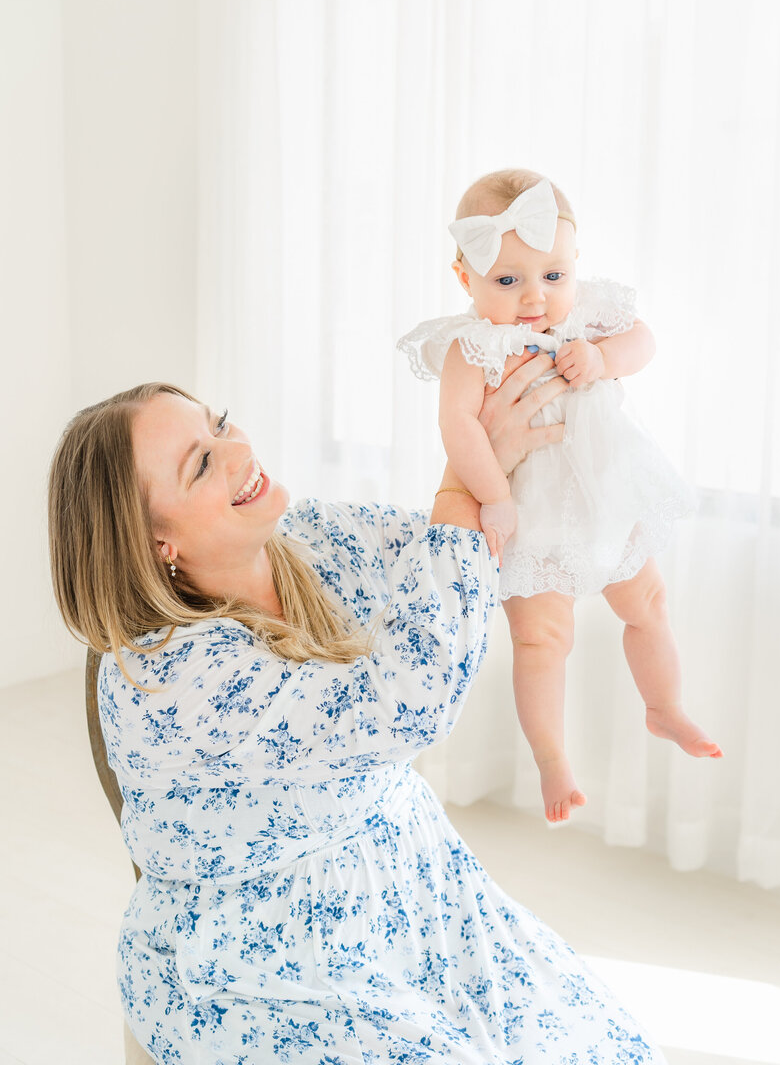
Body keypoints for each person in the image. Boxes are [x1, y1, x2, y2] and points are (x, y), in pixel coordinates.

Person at [49, 380, 668, 1064]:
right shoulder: (169, 675)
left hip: (412, 884)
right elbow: (410, 700)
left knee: (605, 1049)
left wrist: (525, 462)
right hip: (260, 956)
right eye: (200, 463)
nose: (236, 450)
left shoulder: (302, 535)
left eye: (221, 423)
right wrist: (466, 470)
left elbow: (441, 557)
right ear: (155, 540)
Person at [398, 168, 722, 824]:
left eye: (552, 275)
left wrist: (604, 359)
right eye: (507, 280)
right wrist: (495, 497)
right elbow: (456, 426)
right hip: (533, 512)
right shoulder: (471, 345)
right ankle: (551, 760)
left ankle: (664, 707)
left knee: (649, 604)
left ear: (575, 265)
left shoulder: (590, 314)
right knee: (543, 640)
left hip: (608, 494)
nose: (534, 298)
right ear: (466, 280)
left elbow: (644, 341)